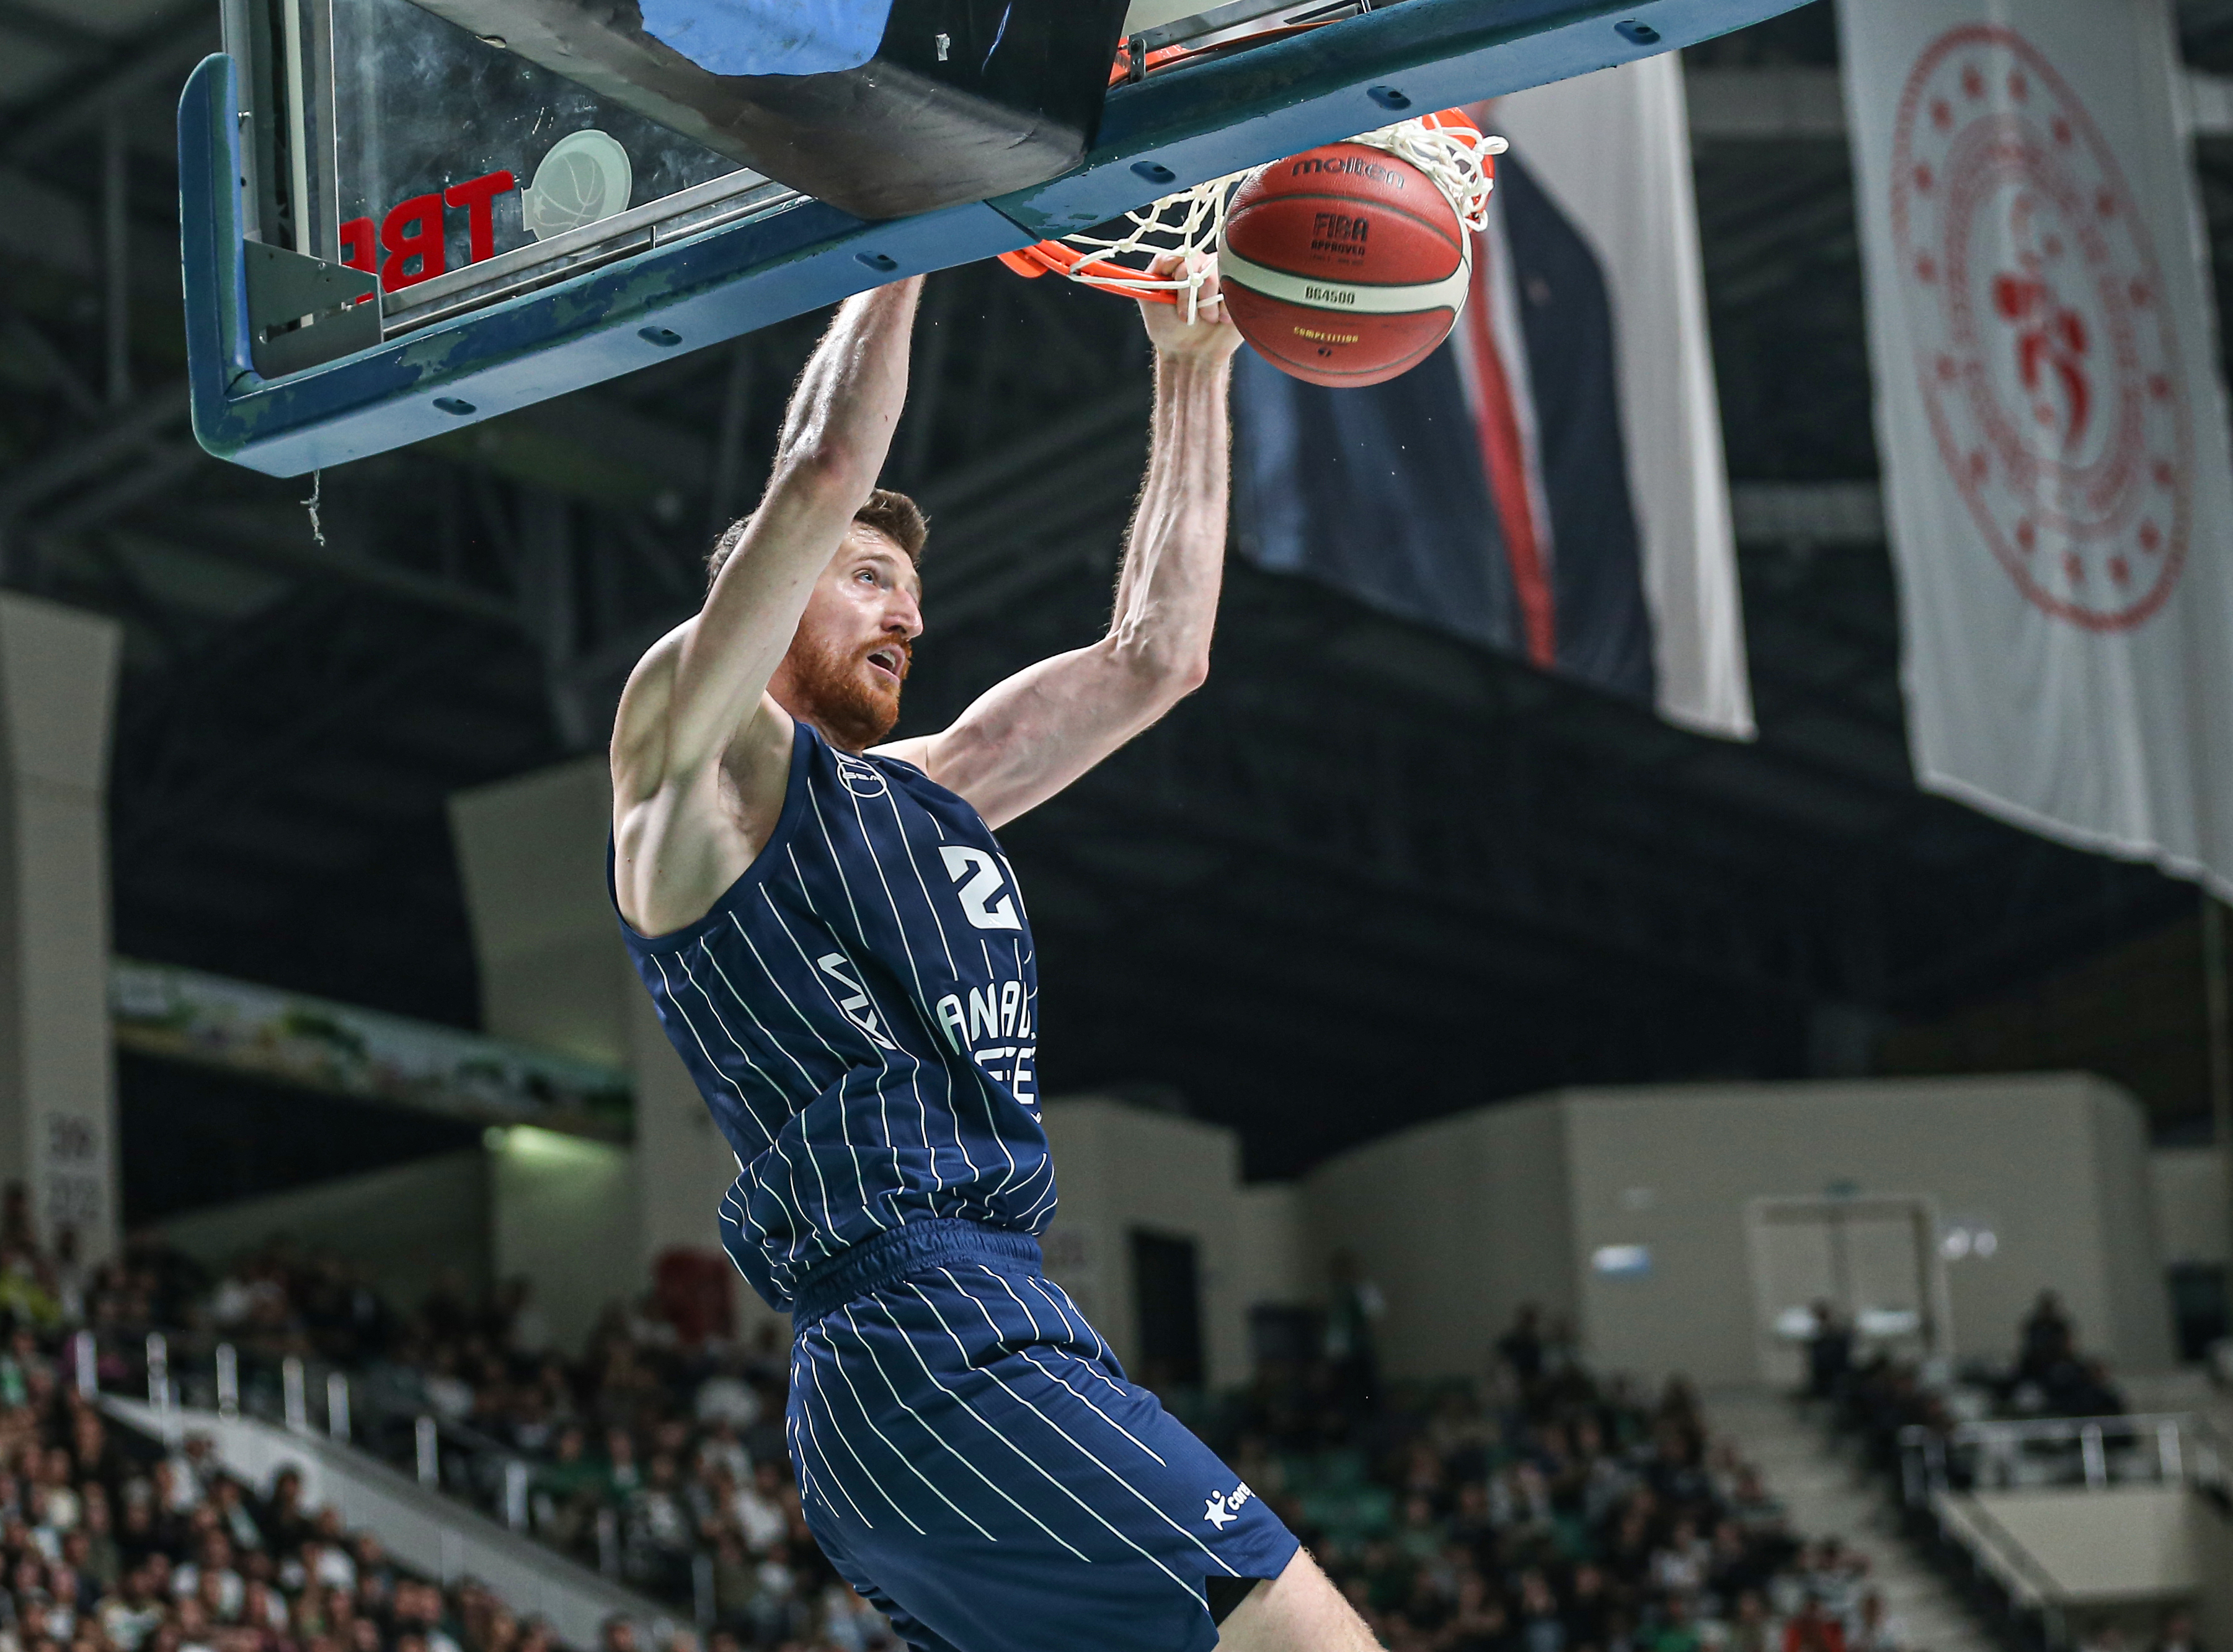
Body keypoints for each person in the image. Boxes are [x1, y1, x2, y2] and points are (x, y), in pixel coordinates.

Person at [606, 266, 1362, 1652]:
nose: (908, 616)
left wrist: (1192, 363)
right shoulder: (684, 768)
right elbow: (828, 464)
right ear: (764, 592)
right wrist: (906, 233)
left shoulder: (925, 790)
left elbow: (1156, 660)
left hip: (968, 1334)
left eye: (912, 591)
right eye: (869, 577)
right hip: (927, 1336)